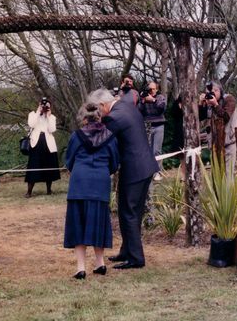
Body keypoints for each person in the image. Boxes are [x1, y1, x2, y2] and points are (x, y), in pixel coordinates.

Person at [87, 88, 159, 270]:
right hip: (144, 165)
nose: (98, 113)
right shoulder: (127, 106)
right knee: (126, 210)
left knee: (130, 213)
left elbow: (98, 141)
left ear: (103, 105)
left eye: (98, 109)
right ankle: (127, 250)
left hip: (135, 168)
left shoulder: (114, 117)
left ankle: (136, 258)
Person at [64, 103, 119, 279]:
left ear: (84, 118)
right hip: (100, 181)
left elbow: (69, 161)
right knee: (99, 222)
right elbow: (114, 163)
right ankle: (100, 263)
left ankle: (81, 268)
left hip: (80, 181)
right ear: (100, 116)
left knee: (78, 223)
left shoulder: (76, 136)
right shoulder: (110, 137)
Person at [198, 81, 237, 173]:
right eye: (210, 92)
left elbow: (225, 117)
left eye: (215, 90)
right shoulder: (209, 104)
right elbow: (199, 117)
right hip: (215, 145)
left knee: (227, 177)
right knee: (216, 176)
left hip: (228, 143)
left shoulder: (229, 99)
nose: (213, 93)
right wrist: (201, 103)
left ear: (220, 91)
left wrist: (215, 104)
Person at [24, 97, 60, 198]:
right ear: (39, 104)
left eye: (46, 105)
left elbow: (52, 129)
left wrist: (48, 116)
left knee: (49, 165)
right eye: (43, 105)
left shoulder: (52, 117)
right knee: (33, 166)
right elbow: (31, 124)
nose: (44, 107)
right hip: (36, 143)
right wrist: (38, 112)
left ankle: (49, 190)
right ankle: (29, 191)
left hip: (48, 144)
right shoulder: (32, 114)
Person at [138, 81, 166, 181]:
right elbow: (139, 111)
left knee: (156, 150)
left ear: (156, 89)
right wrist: (143, 101)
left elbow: (161, 109)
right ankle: (149, 171)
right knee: (148, 150)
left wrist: (153, 100)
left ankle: (158, 172)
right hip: (148, 126)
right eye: (150, 89)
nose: (151, 91)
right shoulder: (144, 98)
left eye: (153, 89)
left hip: (159, 126)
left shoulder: (160, 97)